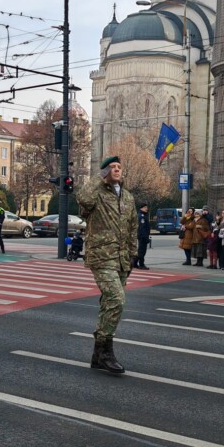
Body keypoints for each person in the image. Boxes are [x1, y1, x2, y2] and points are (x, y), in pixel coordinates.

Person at [76, 155, 137, 375]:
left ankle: (97, 354)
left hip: (121, 259)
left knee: (108, 304)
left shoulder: (128, 197)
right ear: (104, 172)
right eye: (112, 167)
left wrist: (132, 255)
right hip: (101, 256)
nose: (117, 170)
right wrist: (99, 176)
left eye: (120, 167)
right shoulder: (96, 194)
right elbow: (82, 198)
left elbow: (132, 228)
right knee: (116, 299)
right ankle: (105, 350)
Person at [133, 203, 151, 270]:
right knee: (142, 251)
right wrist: (145, 237)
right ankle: (141, 264)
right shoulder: (142, 216)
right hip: (143, 236)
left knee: (140, 250)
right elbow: (142, 228)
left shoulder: (142, 215)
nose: (146, 208)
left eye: (146, 207)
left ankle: (134, 263)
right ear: (141, 208)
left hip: (142, 235)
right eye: (145, 207)